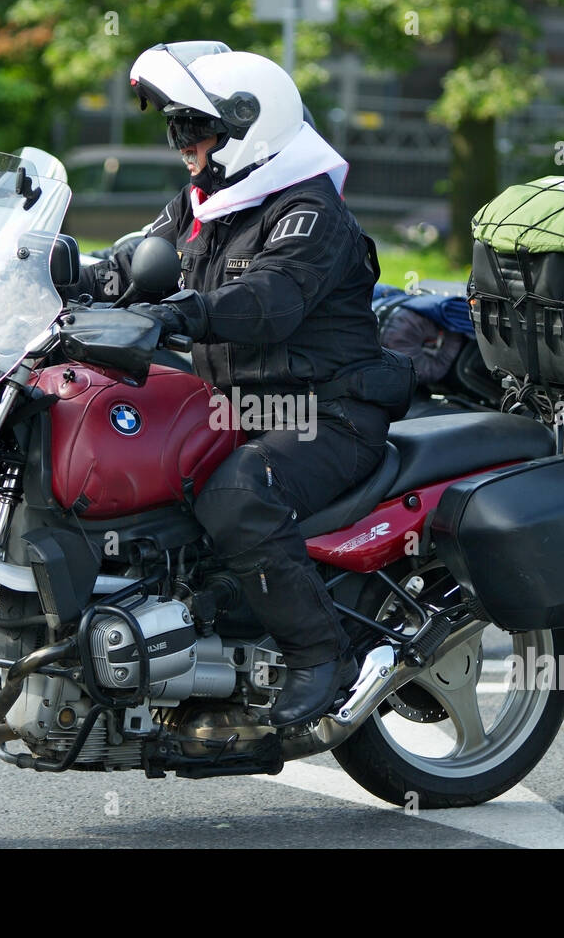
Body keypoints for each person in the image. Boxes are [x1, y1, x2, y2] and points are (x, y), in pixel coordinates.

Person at [75, 41, 412, 727]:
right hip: (242, 408)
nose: (184, 148)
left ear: (246, 131)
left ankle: (322, 655)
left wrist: (182, 312)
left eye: (194, 131)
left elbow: (270, 301)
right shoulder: (208, 203)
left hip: (329, 413)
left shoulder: (309, 211)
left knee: (237, 491)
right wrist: (57, 273)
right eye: (178, 131)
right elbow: (132, 263)